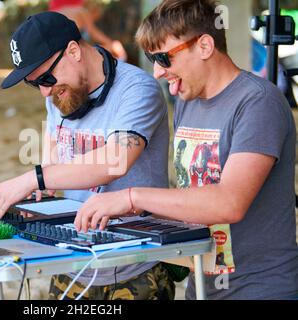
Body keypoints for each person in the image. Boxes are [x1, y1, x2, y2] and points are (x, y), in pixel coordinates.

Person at [75, 0, 298, 300]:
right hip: (201, 286)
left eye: (164, 58)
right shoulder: (187, 101)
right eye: (151, 59)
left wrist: (131, 197)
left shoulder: (258, 103)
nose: (157, 72)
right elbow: (191, 194)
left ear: (205, 46)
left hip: (260, 289)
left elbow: (229, 203)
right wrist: (131, 218)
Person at [0, 11, 174, 300]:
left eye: (47, 77)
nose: (45, 93)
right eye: (35, 83)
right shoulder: (60, 93)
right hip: (70, 263)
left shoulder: (137, 89)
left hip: (133, 270)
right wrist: (34, 196)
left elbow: (115, 160)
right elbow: (53, 166)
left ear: (73, 50)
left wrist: (33, 179)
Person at [49, 0, 127, 61]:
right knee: (114, 48)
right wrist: (113, 45)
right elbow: (94, 34)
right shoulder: (79, 11)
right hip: (75, 55)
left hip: (57, 57)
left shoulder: (50, 15)